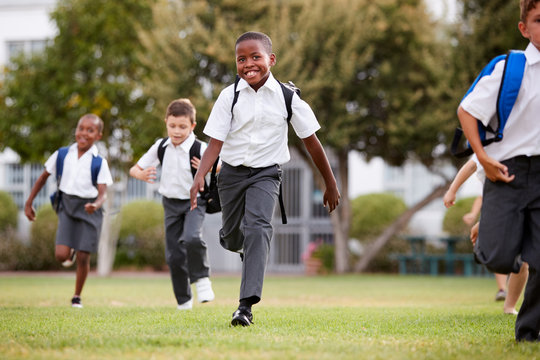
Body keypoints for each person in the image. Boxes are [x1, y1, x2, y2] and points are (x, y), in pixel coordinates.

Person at [190, 31, 340, 327]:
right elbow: (215, 143)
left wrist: (330, 183)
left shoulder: (288, 99)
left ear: (270, 59)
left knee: (259, 227)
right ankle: (241, 244)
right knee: (232, 237)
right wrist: (199, 175)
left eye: (255, 57)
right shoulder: (228, 96)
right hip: (231, 174)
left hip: (266, 174)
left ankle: (244, 307)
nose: (249, 64)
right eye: (241, 59)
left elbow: (312, 143)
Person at [457, 0, 540, 341]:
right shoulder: (512, 68)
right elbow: (467, 110)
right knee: (498, 256)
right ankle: (490, 231)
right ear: (524, 28)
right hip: (507, 172)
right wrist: (482, 156)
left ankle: (529, 332)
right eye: (539, 20)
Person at [130, 98, 215, 310]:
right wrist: (141, 174)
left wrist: (208, 168)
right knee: (174, 256)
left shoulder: (199, 147)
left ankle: (202, 279)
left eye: (182, 127)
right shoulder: (161, 146)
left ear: (192, 126)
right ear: (166, 122)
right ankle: (184, 301)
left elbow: (222, 166)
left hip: (194, 201)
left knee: (192, 238)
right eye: (172, 126)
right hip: (170, 204)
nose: (177, 131)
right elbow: (134, 169)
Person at [24, 114, 113, 308]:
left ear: (98, 135)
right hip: (67, 206)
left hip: (90, 209)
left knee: (83, 255)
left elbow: (103, 194)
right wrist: (29, 202)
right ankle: (70, 250)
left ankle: (76, 297)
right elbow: (42, 178)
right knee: (61, 256)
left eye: (90, 130)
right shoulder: (62, 154)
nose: (83, 133)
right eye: (81, 128)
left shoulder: (99, 162)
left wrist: (96, 205)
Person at [444, 158, 528, 314]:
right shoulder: (490, 146)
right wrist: (452, 190)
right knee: (511, 258)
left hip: (523, 200)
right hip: (502, 204)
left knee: (525, 261)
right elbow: (471, 165)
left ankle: (509, 305)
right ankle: (503, 292)